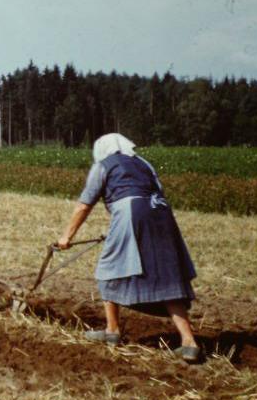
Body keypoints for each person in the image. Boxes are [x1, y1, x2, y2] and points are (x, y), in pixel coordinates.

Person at [57, 133, 201, 362]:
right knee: (167, 275)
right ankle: (189, 343)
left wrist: (66, 236)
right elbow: (153, 193)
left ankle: (112, 331)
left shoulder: (104, 166)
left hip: (131, 214)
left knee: (109, 267)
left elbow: (84, 205)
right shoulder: (144, 163)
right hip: (162, 214)